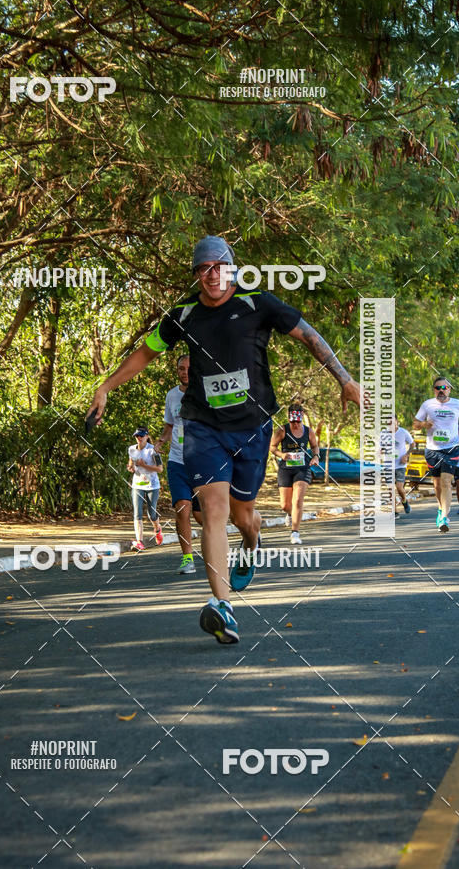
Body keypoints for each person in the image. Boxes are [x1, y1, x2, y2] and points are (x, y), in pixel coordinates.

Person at [87, 235, 361, 644]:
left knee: (242, 518)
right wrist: (106, 386)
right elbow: (145, 352)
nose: (212, 275)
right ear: (197, 275)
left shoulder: (257, 303)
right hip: (203, 427)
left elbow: (308, 336)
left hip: (252, 428)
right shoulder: (184, 314)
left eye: (219, 267)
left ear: (232, 269)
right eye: (204, 269)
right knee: (214, 512)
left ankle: (252, 541)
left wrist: (346, 379)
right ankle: (222, 605)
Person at [155, 354, 203, 574]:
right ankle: (187, 559)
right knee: (182, 509)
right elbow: (169, 426)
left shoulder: (204, 392)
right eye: (181, 369)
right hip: (177, 461)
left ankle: (244, 530)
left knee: (202, 516)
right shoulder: (172, 395)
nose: (184, 372)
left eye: (188, 368)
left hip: (203, 463)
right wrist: (160, 441)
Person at [414, 377, 459, 532]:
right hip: (432, 450)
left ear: (449, 389)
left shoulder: (458, 404)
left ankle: (444, 518)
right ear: (434, 390)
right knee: (437, 485)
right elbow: (415, 424)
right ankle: (440, 508)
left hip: (451, 449)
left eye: (444, 387)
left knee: (446, 482)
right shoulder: (427, 404)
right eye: (438, 388)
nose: (441, 390)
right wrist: (424, 424)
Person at [269, 404, 320, 545]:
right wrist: (281, 454)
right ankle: (290, 514)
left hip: (302, 469)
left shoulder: (309, 431)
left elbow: (314, 446)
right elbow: (272, 446)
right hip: (285, 469)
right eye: (293, 422)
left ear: (302, 417)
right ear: (289, 419)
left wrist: (316, 457)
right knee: (285, 505)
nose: (295, 425)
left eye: (298, 421)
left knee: (297, 500)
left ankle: (295, 533)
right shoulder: (282, 430)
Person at [127, 427, 163, 551]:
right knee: (137, 513)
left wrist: (144, 465)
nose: (139, 438)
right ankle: (139, 541)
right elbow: (131, 464)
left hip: (152, 485)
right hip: (137, 485)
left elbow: (160, 469)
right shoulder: (132, 449)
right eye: (137, 436)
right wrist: (131, 468)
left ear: (147, 436)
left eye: (141, 436)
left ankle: (157, 529)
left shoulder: (153, 450)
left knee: (151, 514)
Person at [393, 416, 414, 514]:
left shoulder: (403, 432)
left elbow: (412, 444)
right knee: (390, 489)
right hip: (388, 465)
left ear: (397, 422)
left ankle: (404, 501)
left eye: (393, 421)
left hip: (400, 465)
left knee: (399, 487)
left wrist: (406, 455)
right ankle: (394, 512)